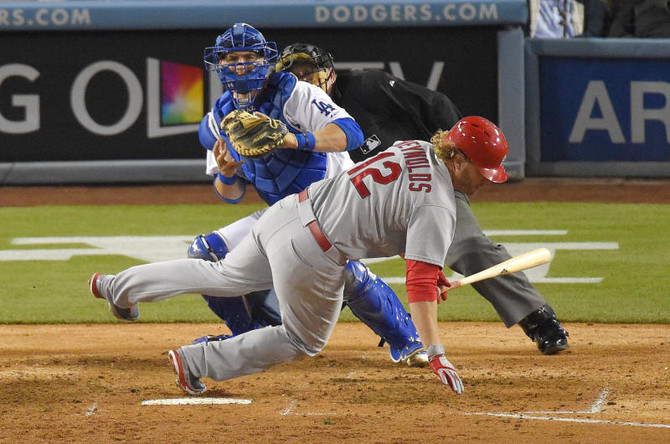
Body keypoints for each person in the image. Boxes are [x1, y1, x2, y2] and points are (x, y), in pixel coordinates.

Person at [89, 115, 509, 396]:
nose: (487, 182)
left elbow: (390, 209)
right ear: (455, 157)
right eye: (482, 170)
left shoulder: (416, 147)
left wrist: (428, 265)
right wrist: (436, 351)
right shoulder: (439, 206)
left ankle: (117, 287)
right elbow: (416, 280)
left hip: (286, 214)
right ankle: (195, 361)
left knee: (220, 275)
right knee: (303, 339)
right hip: (314, 251)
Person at [97, 23, 428, 367]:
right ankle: (249, 336)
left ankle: (408, 340)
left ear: (265, 61)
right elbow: (231, 194)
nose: (241, 65)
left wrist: (293, 140)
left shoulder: (296, 94)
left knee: (337, 267)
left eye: (249, 57)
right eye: (232, 58)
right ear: (219, 65)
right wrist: (226, 174)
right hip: (285, 213)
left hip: (336, 202)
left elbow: (351, 133)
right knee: (205, 253)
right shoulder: (218, 119)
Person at [274, 43, 569, 355]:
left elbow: (434, 103)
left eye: (309, 72)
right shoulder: (290, 121)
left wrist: (454, 165)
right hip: (367, 207)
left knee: (468, 246)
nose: (302, 80)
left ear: (330, 74)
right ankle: (395, 329)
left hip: (424, 182)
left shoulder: (365, 87)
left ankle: (539, 319)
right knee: (305, 249)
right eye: (294, 76)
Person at [527, 0, 610, 37]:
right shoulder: (525, 3)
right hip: (534, 58)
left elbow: (593, 37)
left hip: (572, 59)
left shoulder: (592, 4)